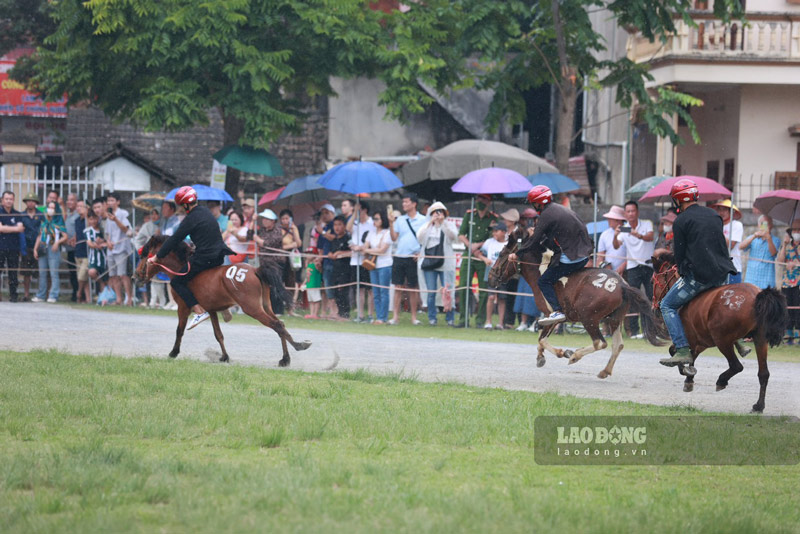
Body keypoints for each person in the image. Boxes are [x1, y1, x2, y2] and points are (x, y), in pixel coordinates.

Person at [659, 179, 737, 367]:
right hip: (723, 274)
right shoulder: (714, 214)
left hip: (701, 277)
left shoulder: (681, 221)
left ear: (678, 199)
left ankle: (682, 349)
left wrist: (681, 271)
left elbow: (680, 254)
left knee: (666, 305)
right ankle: (738, 341)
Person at [149, 186, 234, 329]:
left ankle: (199, 311)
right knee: (200, 277)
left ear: (185, 204)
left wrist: (157, 257)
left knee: (177, 281)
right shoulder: (206, 212)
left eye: (180, 205)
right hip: (220, 255)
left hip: (206, 257)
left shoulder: (191, 218)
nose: (179, 208)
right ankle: (222, 305)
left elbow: (174, 239)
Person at [514, 185, 593, 327]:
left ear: (539, 202)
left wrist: (517, 253)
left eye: (534, 202)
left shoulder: (547, 215)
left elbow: (533, 242)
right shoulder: (558, 208)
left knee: (543, 281)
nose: (533, 205)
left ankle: (558, 310)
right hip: (584, 255)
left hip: (572, 258)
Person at [613, 200, 655, 339]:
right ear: (625, 214)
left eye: (633, 211)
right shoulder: (624, 228)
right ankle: (634, 332)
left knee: (650, 297)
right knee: (632, 298)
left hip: (648, 265)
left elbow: (650, 237)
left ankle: (650, 330)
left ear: (637, 212)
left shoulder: (647, 223)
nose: (631, 214)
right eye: (628, 211)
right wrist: (615, 234)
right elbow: (617, 246)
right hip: (633, 267)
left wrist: (638, 235)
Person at [456, 193, 497, 328]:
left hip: (483, 258)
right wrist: (470, 246)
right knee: (463, 287)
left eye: (484, 199)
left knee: (483, 290)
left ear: (489, 202)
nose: (480, 201)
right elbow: (461, 234)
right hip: (468, 256)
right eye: (479, 198)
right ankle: (463, 319)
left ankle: (480, 320)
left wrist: (477, 245)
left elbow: (493, 237)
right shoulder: (469, 215)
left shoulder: (492, 218)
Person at [417, 201, 457, 326]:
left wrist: (442, 224)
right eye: (435, 212)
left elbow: (453, 237)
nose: (437, 214)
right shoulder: (427, 226)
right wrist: (431, 222)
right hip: (429, 263)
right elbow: (419, 238)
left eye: (440, 212)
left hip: (446, 263)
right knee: (431, 291)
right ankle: (432, 318)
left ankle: (450, 318)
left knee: (448, 291)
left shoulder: (449, 225)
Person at [389, 192, 426, 325]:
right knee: (398, 287)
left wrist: (421, 253)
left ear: (414, 204)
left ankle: (414, 317)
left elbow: (426, 239)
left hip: (413, 257)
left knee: (413, 288)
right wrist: (391, 223)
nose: (404, 204)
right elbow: (394, 238)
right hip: (399, 255)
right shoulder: (400, 220)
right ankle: (395, 317)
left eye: (406, 202)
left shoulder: (423, 220)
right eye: (403, 202)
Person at [252, 208, 287, 315]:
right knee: (265, 287)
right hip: (264, 263)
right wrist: (252, 221)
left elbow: (269, 243)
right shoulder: (262, 230)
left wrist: (257, 240)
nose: (264, 221)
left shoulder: (277, 231)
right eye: (263, 219)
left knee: (275, 286)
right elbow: (249, 234)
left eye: (266, 219)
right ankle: (268, 309)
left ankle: (278, 310)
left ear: (272, 221)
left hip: (275, 263)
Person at [475, 222, 509, 329]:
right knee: (490, 296)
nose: (494, 233)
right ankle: (488, 321)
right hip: (491, 272)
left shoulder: (508, 244)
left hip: (503, 273)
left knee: (502, 298)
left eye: (496, 231)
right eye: (493, 231)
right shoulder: (489, 242)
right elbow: (478, 252)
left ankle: (500, 323)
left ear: (503, 232)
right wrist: (485, 259)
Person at [362, 210, 394, 324]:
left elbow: (382, 250)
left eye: (377, 219)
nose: (375, 221)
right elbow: (364, 247)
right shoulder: (371, 233)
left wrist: (367, 250)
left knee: (383, 292)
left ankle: (382, 317)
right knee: (375, 292)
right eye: (374, 219)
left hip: (384, 264)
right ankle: (378, 315)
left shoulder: (387, 233)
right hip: (373, 265)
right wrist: (367, 249)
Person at [32, 200, 67, 303]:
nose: (50, 209)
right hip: (43, 247)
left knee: (53, 273)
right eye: (49, 207)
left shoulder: (59, 220)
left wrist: (57, 243)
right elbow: (40, 235)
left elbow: (65, 236)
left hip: (53, 248)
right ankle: (41, 295)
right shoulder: (44, 221)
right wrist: (35, 249)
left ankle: (53, 295)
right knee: (42, 273)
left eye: (53, 208)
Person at [347, 201, 375, 323]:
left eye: (360, 210)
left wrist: (363, 247)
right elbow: (348, 228)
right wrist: (354, 213)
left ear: (365, 210)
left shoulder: (371, 223)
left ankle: (370, 314)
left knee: (370, 289)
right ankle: (360, 314)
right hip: (355, 259)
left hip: (366, 259)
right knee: (359, 289)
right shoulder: (355, 223)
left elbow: (373, 239)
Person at [513, 208, 540, 331]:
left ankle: (536, 322)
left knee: (534, 297)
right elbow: (519, 248)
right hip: (524, 270)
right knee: (522, 297)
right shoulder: (520, 233)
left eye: (530, 219)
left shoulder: (541, 232)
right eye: (525, 219)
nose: (527, 222)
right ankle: (523, 322)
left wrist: (534, 237)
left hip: (537, 270)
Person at [104, 192, 134, 306]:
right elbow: (107, 233)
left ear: (118, 202)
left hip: (121, 248)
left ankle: (129, 299)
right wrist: (108, 242)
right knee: (113, 275)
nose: (110, 203)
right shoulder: (108, 215)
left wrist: (115, 219)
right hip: (111, 249)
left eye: (112, 200)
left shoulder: (122, 214)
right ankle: (118, 299)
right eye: (109, 201)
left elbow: (126, 230)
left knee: (123, 275)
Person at [740, 214, 780, 289]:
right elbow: (741, 247)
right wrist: (754, 236)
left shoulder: (775, 240)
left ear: (771, 225)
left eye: (767, 224)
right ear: (758, 225)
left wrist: (768, 237)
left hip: (767, 281)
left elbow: (773, 253)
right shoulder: (752, 237)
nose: (764, 226)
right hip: (751, 279)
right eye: (762, 224)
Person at [777, 220, 800, 345]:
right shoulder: (787, 245)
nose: (796, 233)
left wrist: (796, 264)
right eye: (794, 230)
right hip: (786, 282)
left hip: (798, 283)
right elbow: (780, 261)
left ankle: (798, 337)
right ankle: (788, 337)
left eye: (798, 230)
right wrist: (785, 245)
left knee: (798, 309)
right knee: (788, 309)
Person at [0, 190, 24, 302]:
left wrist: (6, 228)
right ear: (2, 200)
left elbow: (20, 228)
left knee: (13, 272)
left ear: (14, 200)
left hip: (14, 248)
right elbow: (0, 229)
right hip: (1, 247)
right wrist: (13, 228)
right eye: (6, 199)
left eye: (11, 199)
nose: (9, 201)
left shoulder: (17, 214)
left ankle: (13, 295)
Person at [19, 192, 43, 301]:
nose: (30, 203)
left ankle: (42, 294)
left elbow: (43, 231)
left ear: (36, 203)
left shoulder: (41, 215)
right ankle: (26, 294)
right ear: (25, 203)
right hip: (26, 246)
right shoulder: (21, 215)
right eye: (28, 201)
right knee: (26, 272)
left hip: (39, 247)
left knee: (41, 271)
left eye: (33, 201)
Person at [328, 215, 352, 319]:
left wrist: (340, 253)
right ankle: (338, 313)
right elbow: (332, 251)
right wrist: (330, 254)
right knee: (336, 292)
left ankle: (345, 314)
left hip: (345, 269)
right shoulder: (334, 239)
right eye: (335, 225)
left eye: (339, 225)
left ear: (345, 226)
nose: (337, 227)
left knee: (343, 291)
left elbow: (352, 252)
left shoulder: (348, 238)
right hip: (335, 269)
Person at [279, 209, 303, 308]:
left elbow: (298, 243)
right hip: (281, 258)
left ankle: (290, 306)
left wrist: (294, 229)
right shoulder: (278, 230)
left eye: (287, 218)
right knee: (281, 281)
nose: (285, 221)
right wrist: (290, 245)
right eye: (283, 219)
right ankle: (280, 305)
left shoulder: (294, 229)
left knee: (291, 282)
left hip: (291, 259)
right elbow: (279, 245)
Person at [596, 205, 627, 275]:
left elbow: (633, 254)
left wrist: (623, 266)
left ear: (618, 220)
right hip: (608, 272)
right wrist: (601, 267)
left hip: (626, 271)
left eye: (611, 218)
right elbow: (600, 256)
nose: (608, 220)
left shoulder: (629, 232)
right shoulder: (604, 234)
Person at [84, 209, 108, 293]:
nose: (93, 221)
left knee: (107, 277)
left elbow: (106, 241)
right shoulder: (88, 231)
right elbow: (90, 243)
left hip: (104, 258)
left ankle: (106, 296)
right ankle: (102, 285)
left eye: (95, 218)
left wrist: (103, 242)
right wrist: (98, 245)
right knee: (92, 272)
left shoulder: (103, 229)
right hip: (94, 259)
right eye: (90, 219)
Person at [73, 200, 91, 304]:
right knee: (83, 278)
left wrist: (87, 215)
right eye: (78, 206)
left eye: (81, 206)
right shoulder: (77, 220)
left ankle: (78, 293)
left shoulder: (88, 220)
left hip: (86, 252)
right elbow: (78, 233)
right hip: (78, 250)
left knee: (82, 276)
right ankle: (88, 298)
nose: (79, 208)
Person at [63, 193, 80, 301]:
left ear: (76, 202)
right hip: (69, 248)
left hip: (77, 248)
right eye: (68, 200)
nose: (69, 202)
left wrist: (74, 238)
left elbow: (79, 229)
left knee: (78, 273)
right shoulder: (68, 214)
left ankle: (78, 294)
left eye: (72, 200)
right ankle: (75, 293)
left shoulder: (78, 214)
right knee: (72, 273)